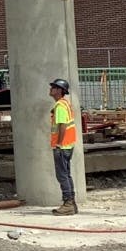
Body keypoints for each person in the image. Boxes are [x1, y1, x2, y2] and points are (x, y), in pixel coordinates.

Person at [48, 78, 78, 215]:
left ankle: (68, 204)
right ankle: (72, 203)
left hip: (62, 146)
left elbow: (62, 125)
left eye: (53, 87)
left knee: (62, 176)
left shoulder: (60, 106)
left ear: (60, 90)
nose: (51, 89)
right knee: (66, 175)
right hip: (68, 145)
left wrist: (59, 144)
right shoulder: (65, 103)